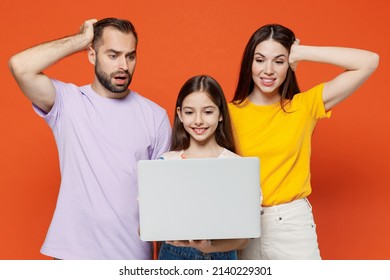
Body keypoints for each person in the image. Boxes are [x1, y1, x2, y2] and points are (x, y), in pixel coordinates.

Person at [8, 18, 171, 259]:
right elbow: (19, 65)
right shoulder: (68, 102)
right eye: (113, 55)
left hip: (130, 257)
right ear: (92, 54)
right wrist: (80, 40)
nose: (123, 66)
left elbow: (161, 201)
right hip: (72, 257)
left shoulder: (155, 117)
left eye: (130, 56)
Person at [228, 24, 379, 260]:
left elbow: (369, 61)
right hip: (241, 224)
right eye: (260, 60)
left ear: (289, 64)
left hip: (291, 224)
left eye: (279, 61)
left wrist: (302, 52)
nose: (268, 70)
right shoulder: (226, 114)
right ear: (249, 62)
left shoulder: (303, 106)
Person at [157, 75, 249, 260]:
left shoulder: (237, 166)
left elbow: (244, 239)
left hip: (221, 257)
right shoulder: (165, 164)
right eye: (190, 112)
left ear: (221, 114)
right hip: (173, 256)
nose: (198, 121)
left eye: (207, 112)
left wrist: (210, 248)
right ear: (180, 114)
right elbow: (150, 228)